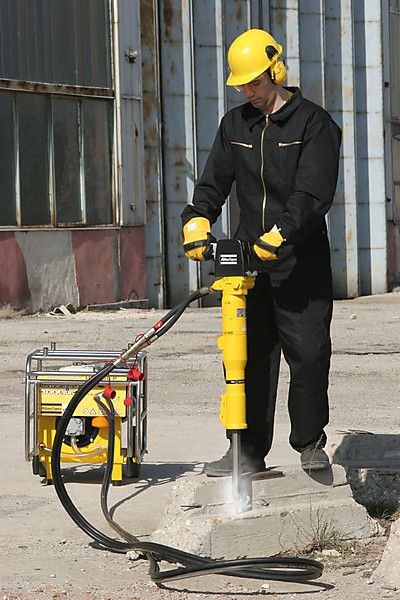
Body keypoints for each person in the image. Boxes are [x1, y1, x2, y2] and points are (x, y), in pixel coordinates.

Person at [181, 29, 342, 475]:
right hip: (248, 262)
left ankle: (309, 443)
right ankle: (246, 452)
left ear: (276, 70)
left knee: (309, 355)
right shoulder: (236, 125)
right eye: (242, 85)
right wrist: (197, 220)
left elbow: (312, 193)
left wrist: (281, 235)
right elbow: (214, 182)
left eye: (254, 82)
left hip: (300, 263)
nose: (248, 92)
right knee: (247, 358)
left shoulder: (313, 123)